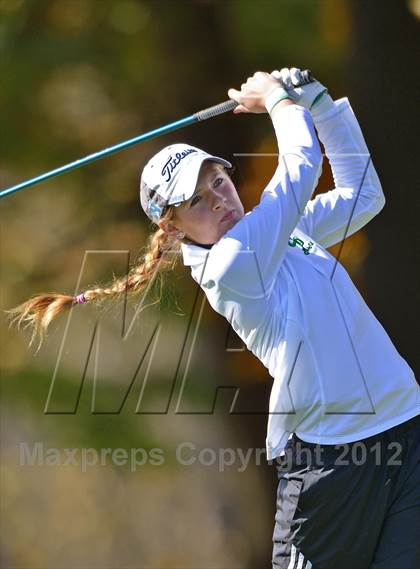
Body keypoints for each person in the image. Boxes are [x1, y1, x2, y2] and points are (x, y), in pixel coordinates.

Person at [9, 68, 419, 568]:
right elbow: (300, 167)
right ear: (173, 227)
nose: (221, 199)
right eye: (198, 200)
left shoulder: (280, 231)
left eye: (220, 181)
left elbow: (363, 196)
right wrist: (278, 101)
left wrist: (322, 105)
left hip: (405, 427)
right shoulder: (229, 265)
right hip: (332, 464)